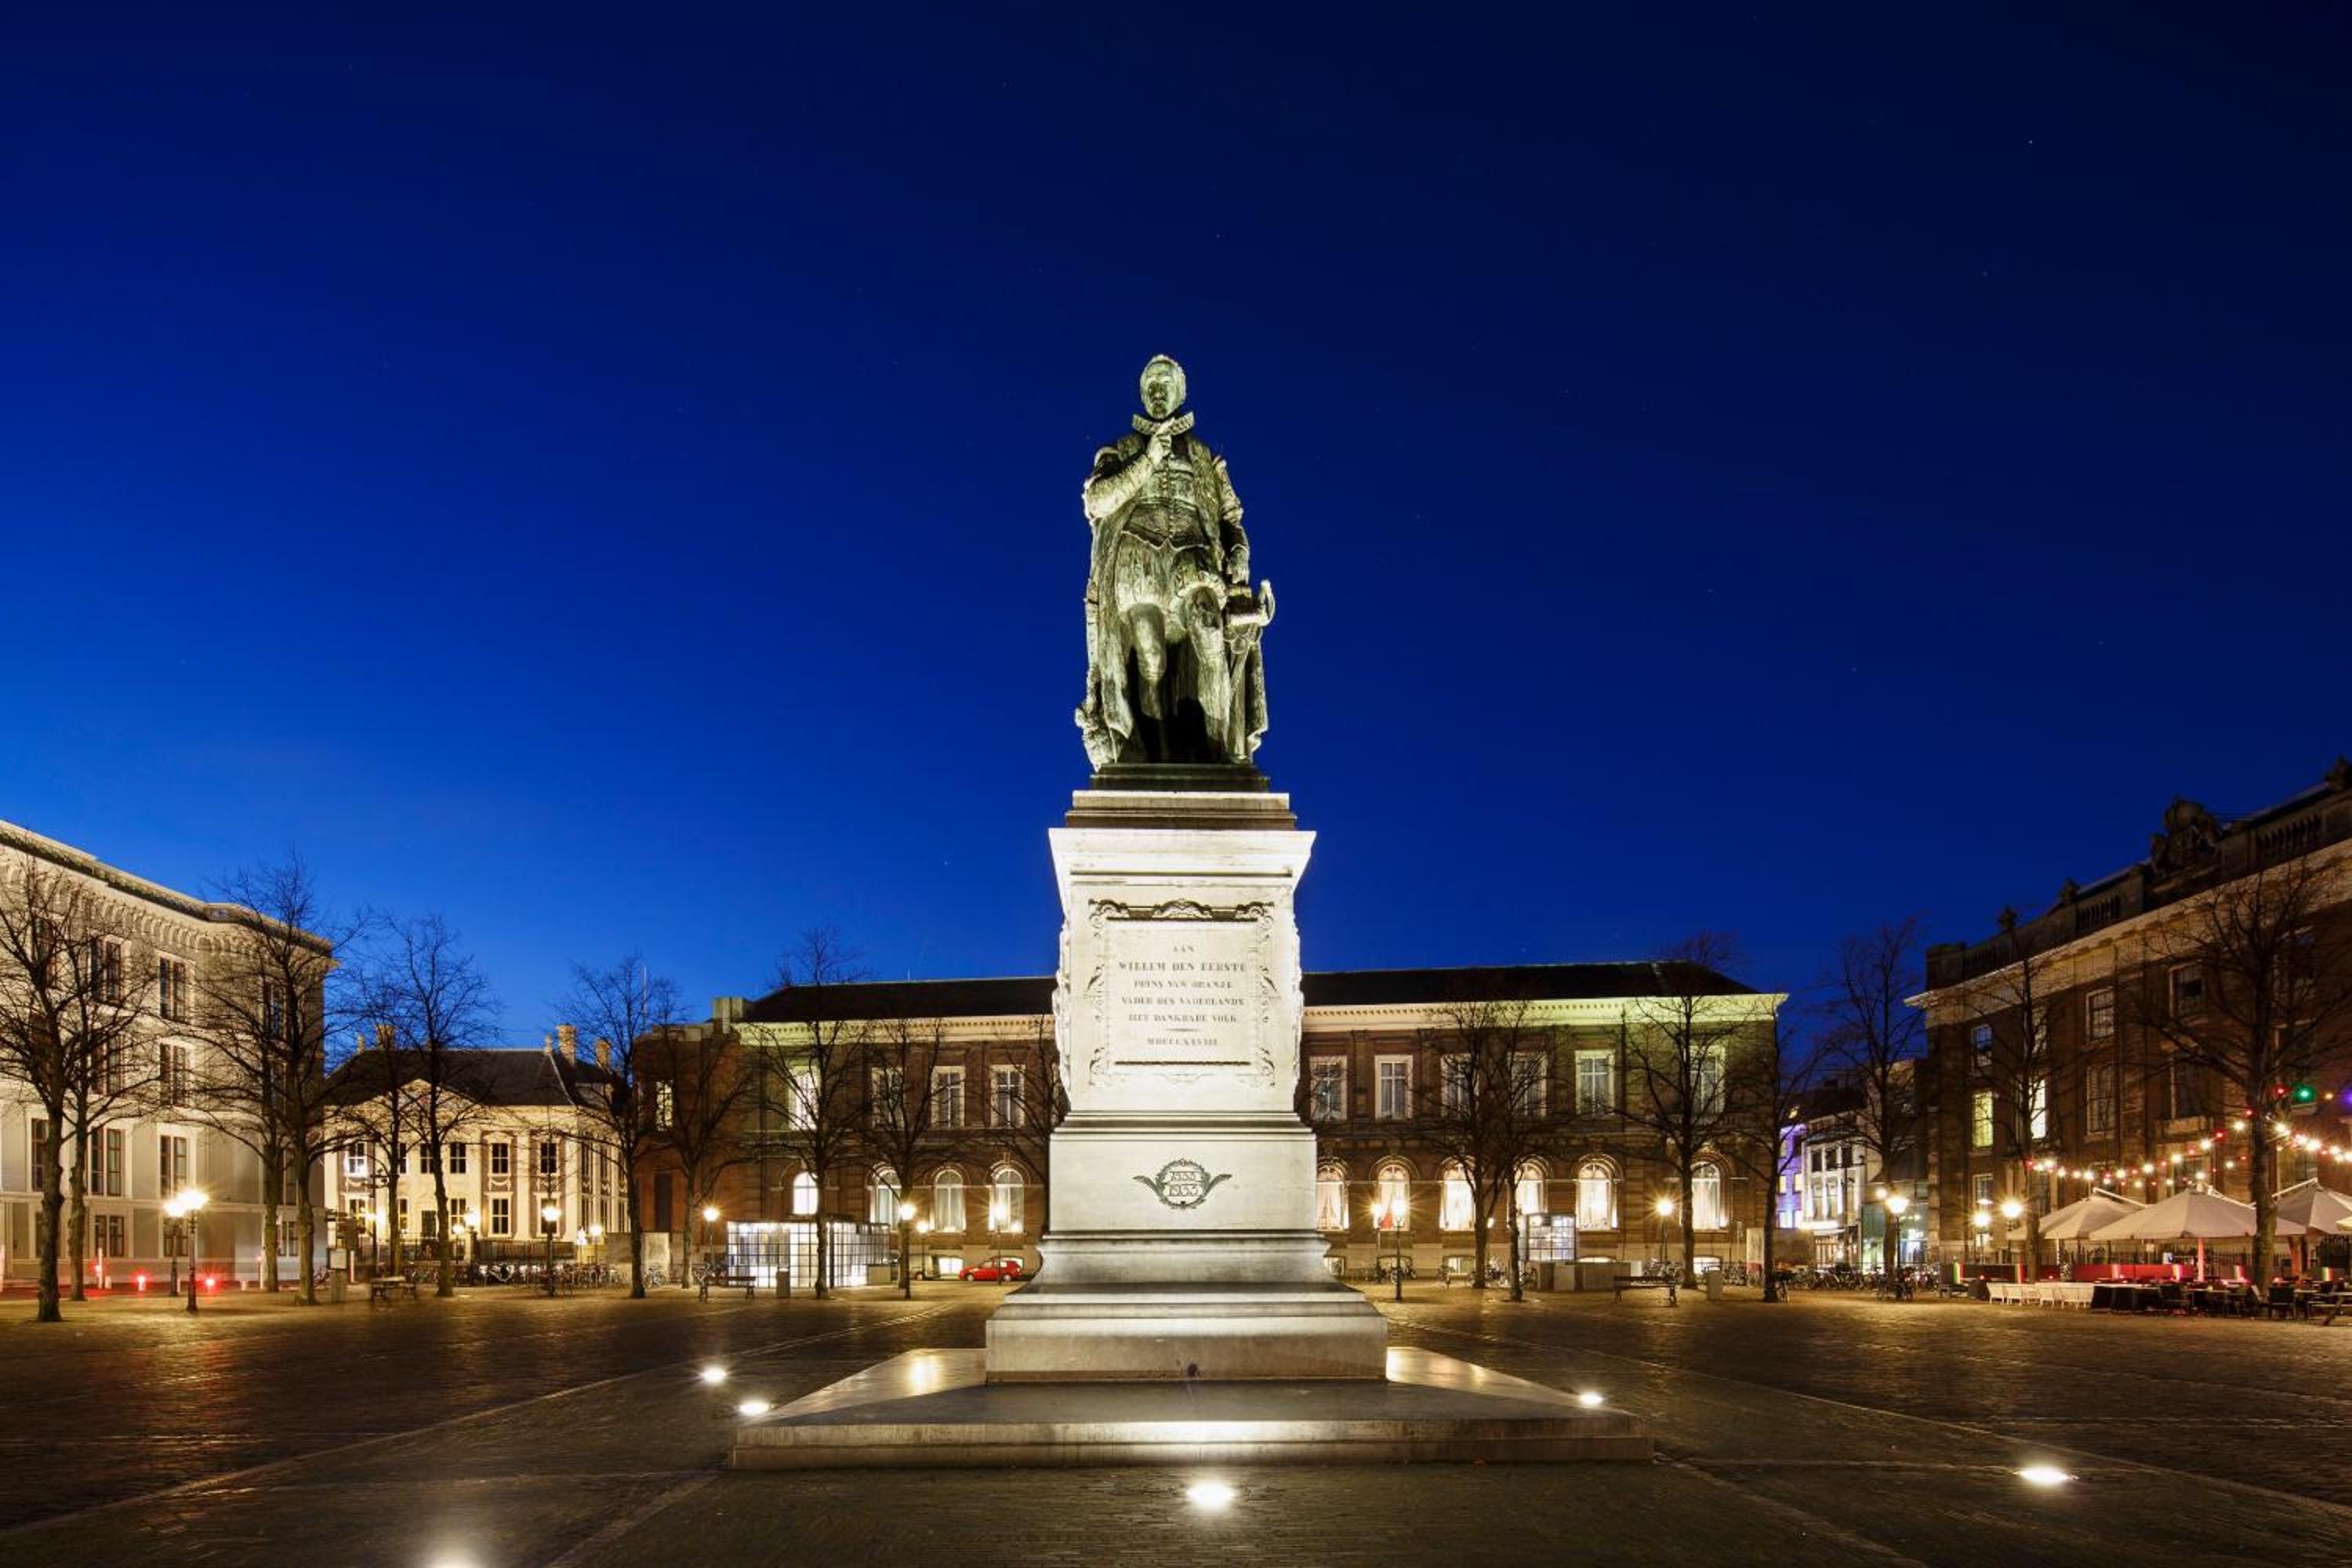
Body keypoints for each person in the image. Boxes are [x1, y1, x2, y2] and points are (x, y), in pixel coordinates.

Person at [1076, 355, 1271, 768]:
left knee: (1209, 631)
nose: (1158, 392)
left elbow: (1231, 517)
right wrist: (1147, 459)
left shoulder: (1204, 456)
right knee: (1150, 657)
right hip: (1138, 559)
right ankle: (1158, 754)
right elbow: (1098, 501)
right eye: (1151, 386)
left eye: (1166, 385)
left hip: (1192, 555)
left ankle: (1218, 751)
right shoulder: (1120, 450)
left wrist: (1239, 550)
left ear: (1180, 394)